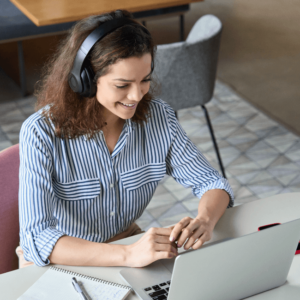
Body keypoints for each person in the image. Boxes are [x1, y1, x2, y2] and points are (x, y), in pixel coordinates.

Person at [18, 9, 234, 269]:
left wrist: (206, 220)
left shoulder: (159, 118)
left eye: (145, 80)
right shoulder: (40, 133)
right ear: (84, 80)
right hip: (62, 258)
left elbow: (212, 182)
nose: (136, 96)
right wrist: (128, 255)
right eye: (122, 85)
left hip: (125, 245)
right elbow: (36, 239)